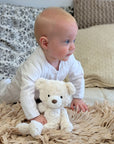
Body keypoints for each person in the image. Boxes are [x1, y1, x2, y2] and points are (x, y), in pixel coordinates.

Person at [0, 7, 88, 125]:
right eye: (67, 41)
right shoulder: (33, 64)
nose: (73, 47)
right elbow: (26, 92)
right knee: (5, 97)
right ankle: (3, 84)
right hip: (18, 90)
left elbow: (77, 75)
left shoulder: (68, 58)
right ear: (45, 43)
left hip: (43, 94)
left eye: (74, 40)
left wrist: (77, 97)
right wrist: (34, 116)